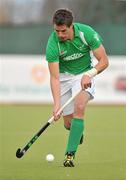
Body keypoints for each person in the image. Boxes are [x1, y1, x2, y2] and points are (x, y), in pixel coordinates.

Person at [46, 9, 109, 167]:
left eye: (63, 31)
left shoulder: (86, 33)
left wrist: (90, 74)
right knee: (69, 124)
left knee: (79, 106)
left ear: (71, 26)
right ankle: (77, 131)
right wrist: (57, 105)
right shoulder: (53, 44)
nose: (60, 35)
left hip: (83, 75)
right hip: (63, 78)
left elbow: (104, 61)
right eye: (57, 31)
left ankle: (69, 156)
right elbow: (54, 77)